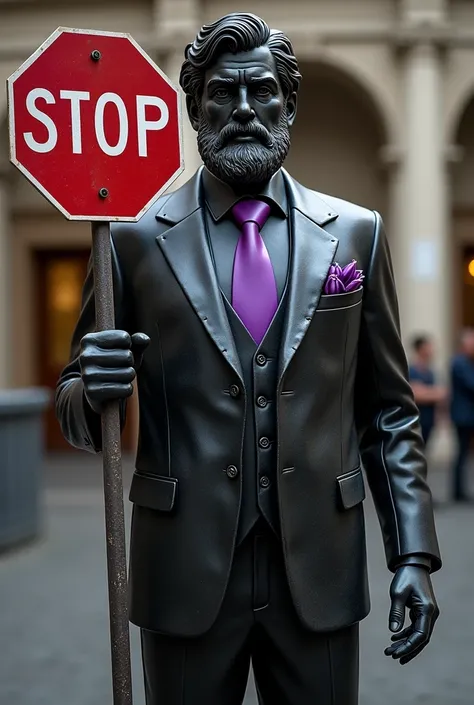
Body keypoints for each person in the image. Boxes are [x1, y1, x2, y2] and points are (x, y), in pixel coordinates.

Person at [55, 13, 441, 705]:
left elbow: (388, 412)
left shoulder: (356, 234)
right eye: (220, 94)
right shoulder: (134, 241)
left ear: (288, 104)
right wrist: (91, 390)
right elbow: (79, 407)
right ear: (193, 107)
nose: (241, 110)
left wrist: (412, 552)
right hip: (183, 574)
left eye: (261, 92)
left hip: (319, 570)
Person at [409, 334, 446, 447]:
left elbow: (442, 394)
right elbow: (415, 394)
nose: (432, 350)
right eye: (428, 346)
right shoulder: (412, 370)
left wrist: (427, 392)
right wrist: (432, 393)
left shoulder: (430, 372)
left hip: (429, 419)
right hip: (415, 420)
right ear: (420, 349)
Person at [450, 327, 474, 501]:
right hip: (463, 416)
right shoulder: (459, 363)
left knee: (464, 453)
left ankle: (461, 490)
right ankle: (458, 491)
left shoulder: (468, 362)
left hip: (468, 415)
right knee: (462, 453)